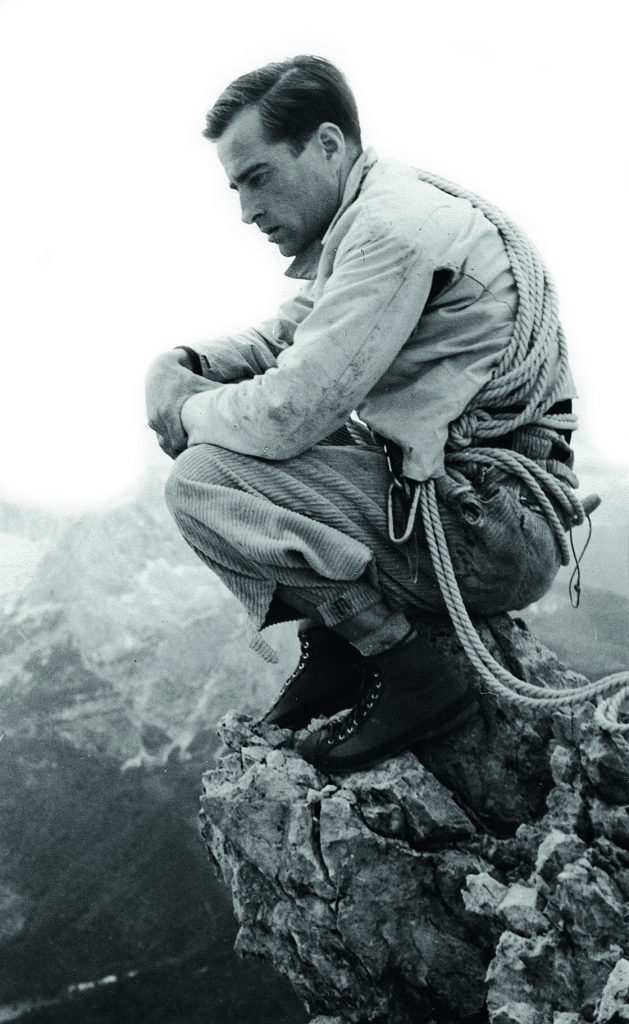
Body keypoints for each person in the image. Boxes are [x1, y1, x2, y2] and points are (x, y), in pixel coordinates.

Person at [145, 55, 581, 774]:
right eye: (236, 187)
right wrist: (181, 361)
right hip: (491, 514)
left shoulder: (389, 232)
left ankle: (406, 667)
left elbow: (288, 415)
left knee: (202, 482)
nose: (247, 211)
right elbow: (285, 337)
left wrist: (183, 413)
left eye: (258, 178)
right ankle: (340, 650)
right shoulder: (382, 214)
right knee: (233, 459)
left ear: (325, 144)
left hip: (486, 533)